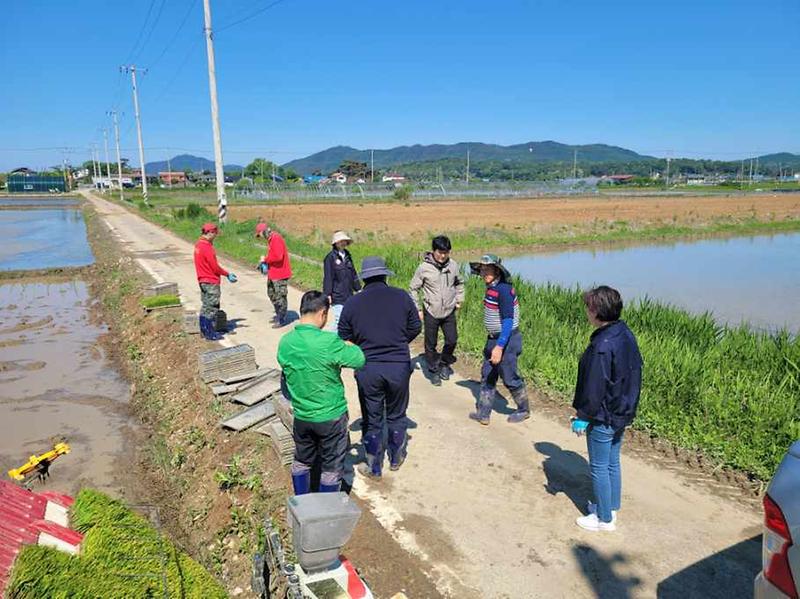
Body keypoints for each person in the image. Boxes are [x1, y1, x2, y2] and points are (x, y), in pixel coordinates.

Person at [338, 256, 421, 479]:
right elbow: (415, 326)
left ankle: (374, 465)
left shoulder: (353, 303)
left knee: (372, 418)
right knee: (396, 414)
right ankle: (396, 458)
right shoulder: (401, 297)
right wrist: (400, 341)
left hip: (368, 368)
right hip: (398, 366)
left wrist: (361, 346)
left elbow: (343, 336)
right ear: (385, 275)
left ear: (364, 278)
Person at [278, 291, 365, 494]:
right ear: (322, 314)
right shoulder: (329, 342)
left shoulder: (285, 342)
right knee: (331, 468)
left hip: (302, 414)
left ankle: (302, 500)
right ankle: (325, 511)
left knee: (302, 460)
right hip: (331, 416)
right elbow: (359, 359)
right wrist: (349, 344)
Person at [571, 285, 643, 532]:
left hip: (604, 414)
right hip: (622, 410)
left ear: (597, 311)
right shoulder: (624, 333)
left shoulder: (602, 345)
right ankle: (610, 507)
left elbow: (594, 386)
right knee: (612, 462)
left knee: (599, 467)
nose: (586, 313)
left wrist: (583, 416)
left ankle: (604, 519)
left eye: (588, 308)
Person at [468, 254, 530, 425]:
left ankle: (524, 409)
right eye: (482, 269)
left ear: (497, 270)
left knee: (509, 376)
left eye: (488, 269)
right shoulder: (491, 288)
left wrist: (500, 346)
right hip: (493, 339)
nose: (484, 273)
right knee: (487, 374)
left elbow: (508, 321)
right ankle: (484, 412)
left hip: (507, 340)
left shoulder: (504, 290)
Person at [408, 235, 464, 386]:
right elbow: (413, 289)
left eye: (446, 252)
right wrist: (418, 308)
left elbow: (460, 283)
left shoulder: (453, 266)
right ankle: (433, 371)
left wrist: (459, 299)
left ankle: (444, 363)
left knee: (452, 340)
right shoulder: (423, 268)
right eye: (440, 252)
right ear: (433, 251)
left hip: (449, 311)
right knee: (430, 343)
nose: (443, 255)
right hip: (430, 311)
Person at [193, 222, 237, 340]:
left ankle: (203, 330)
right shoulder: (207, 247)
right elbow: (214, 267)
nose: (216, 236)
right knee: (212, 308)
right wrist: (227, 274)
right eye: (215, 234)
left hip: (202, 280)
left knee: (206, 306)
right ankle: (209, 333)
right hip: (211, 281)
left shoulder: (198, 245)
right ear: (210, 233)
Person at [322, 231, 361, 331]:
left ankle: (344, 340)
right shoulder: (330, 258)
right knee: (338, 320)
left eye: (344, 241)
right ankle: (332, 341)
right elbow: (328, 277)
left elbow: (353, 273)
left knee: (348, 318)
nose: (343, 243)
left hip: (349, 294)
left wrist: (358, 289)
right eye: (340, 241)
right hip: (337, 294)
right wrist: (327, 294)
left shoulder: (348, 255)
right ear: (335, 243)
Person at [259, 226, 292, 327]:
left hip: (280, 273)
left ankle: (281, 318)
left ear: (263, 232)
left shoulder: (276, 238)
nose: (260, 237)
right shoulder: (271, 239)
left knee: (280, 296)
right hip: (273, 273)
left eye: (259, 234)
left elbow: (278, 256)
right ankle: (278, 314)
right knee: (271, 293)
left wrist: (266, 259)